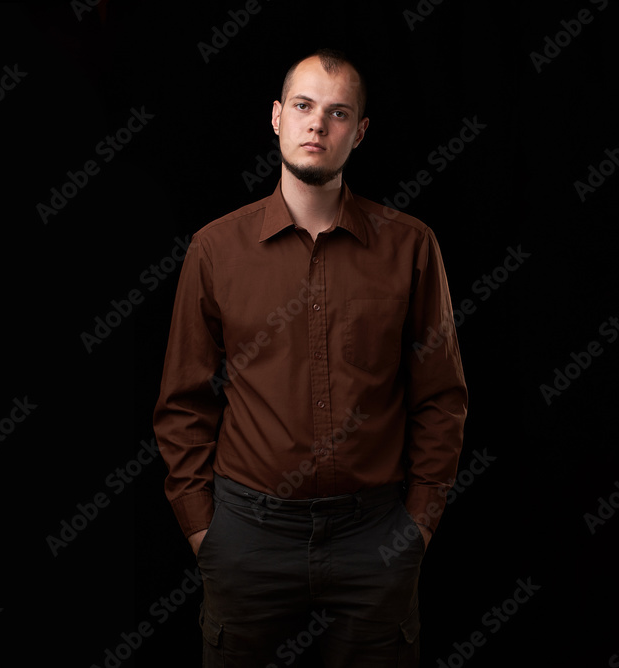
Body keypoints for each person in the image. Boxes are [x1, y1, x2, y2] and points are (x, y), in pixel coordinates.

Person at [153, 48, 468, 667]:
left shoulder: (411, 246)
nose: (317, 125)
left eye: (337, 112)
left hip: (375, 536)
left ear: (360, 131)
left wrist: (417, 528)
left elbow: (441, 398)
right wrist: (205, 533)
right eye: (303, 106)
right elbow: (182, 403)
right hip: (247, 535)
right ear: (277, 117)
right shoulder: (214, 249)